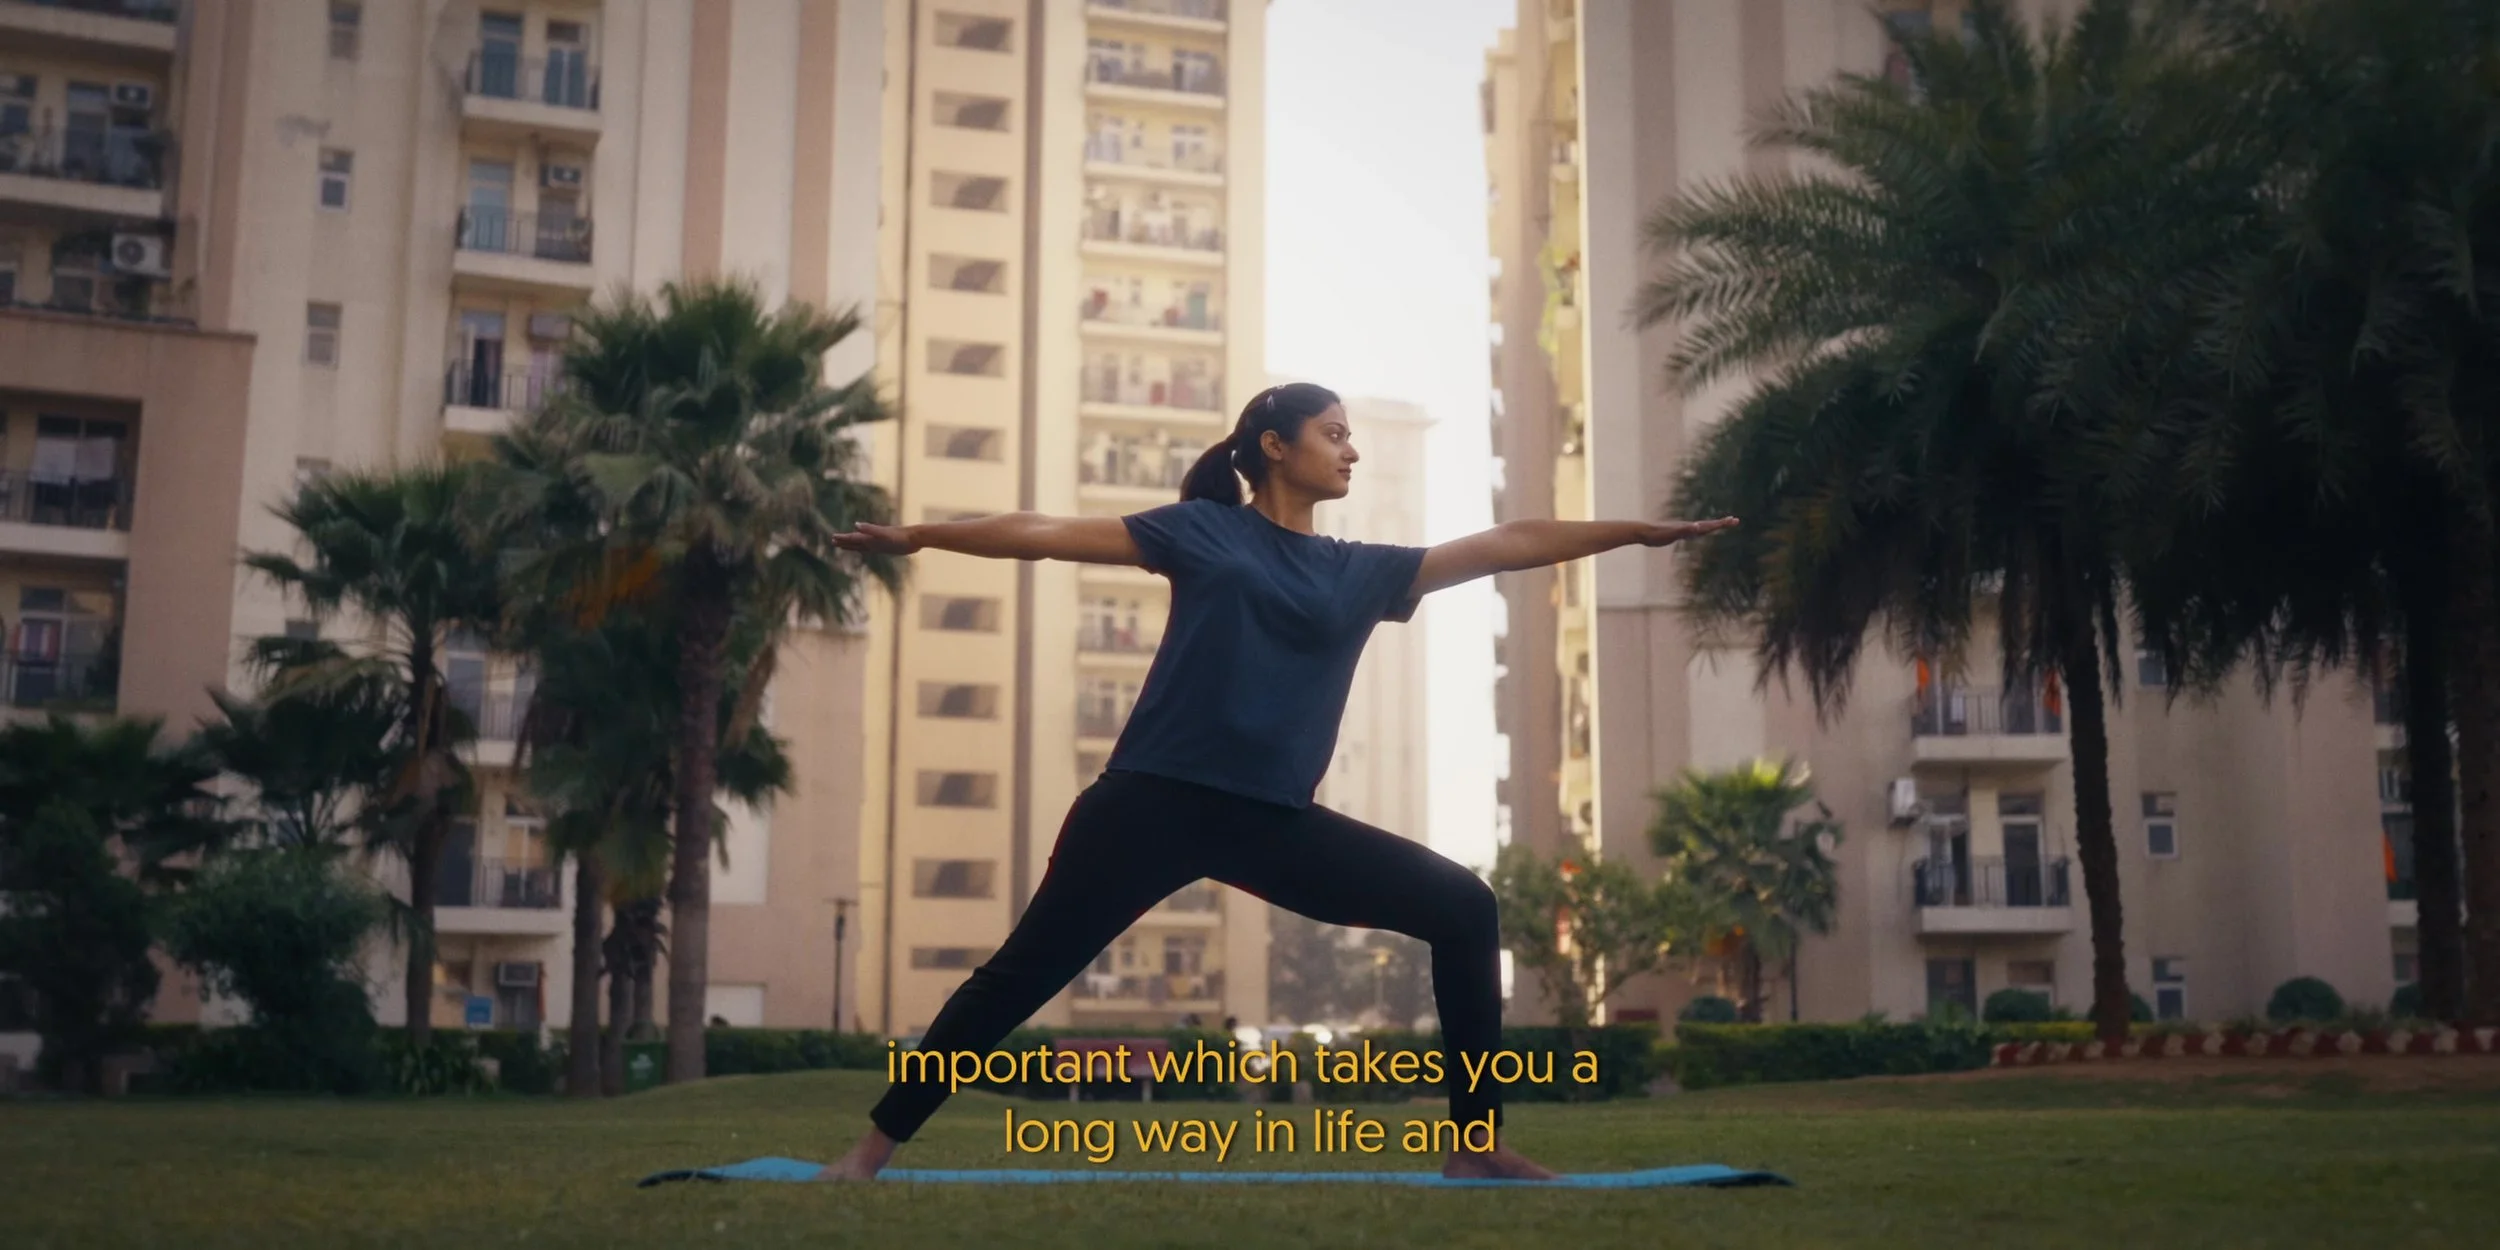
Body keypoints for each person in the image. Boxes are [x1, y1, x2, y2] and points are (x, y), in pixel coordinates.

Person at [817, 382, 1736, 1181]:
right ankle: (868, 1153)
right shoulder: (1202, 532)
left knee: (1466, 908)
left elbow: (1504, 541)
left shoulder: (1361, 571)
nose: (1352, 449)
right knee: (1015, 980)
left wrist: (1635, 534)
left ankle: (1475, 1143)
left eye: (1349, 435)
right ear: (1274, 446)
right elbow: (1050, 533)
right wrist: (925, 535)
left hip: (1272, 822)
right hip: (1150, 802)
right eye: (1333, 434)